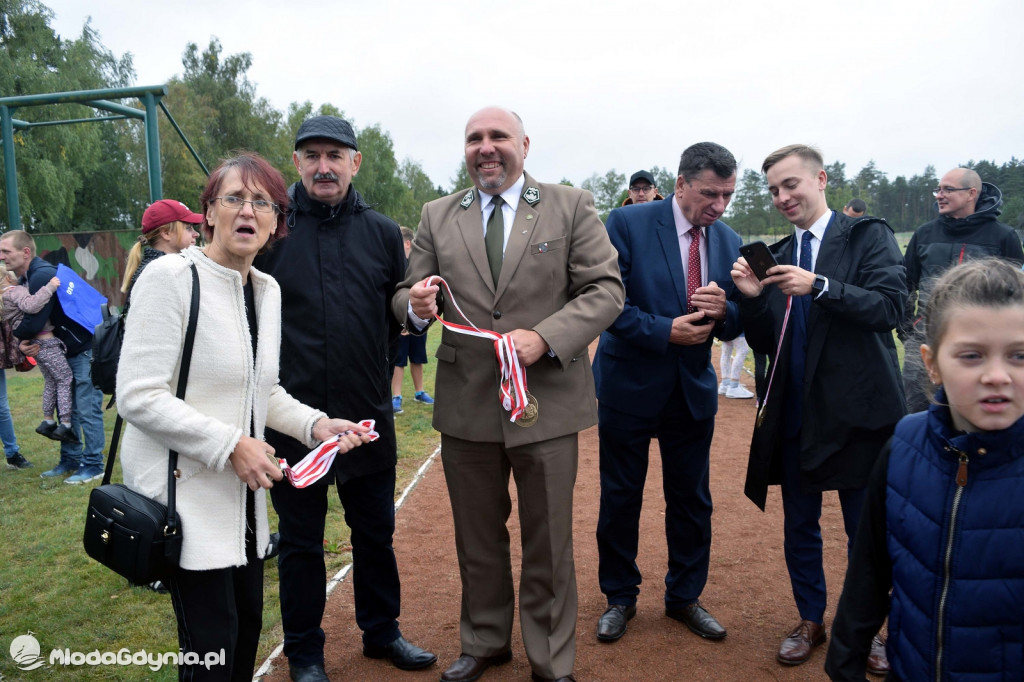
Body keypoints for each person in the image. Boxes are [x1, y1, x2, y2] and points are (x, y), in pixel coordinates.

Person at [117, 152, 373, 682]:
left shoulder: (266, 290)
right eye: (233, 198)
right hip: (184, 508)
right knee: (209, 659)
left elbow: (264, 390)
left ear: (278, 221)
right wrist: (232, 443)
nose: (247, 211)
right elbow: (137, 396)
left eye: (262, 202)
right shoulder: (169, 277)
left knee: (241, 645)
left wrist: (315, 425)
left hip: (245, 517)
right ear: (208, 213)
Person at [392, 106, 624, 682]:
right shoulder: (437, 214)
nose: (486, 148)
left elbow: (606, 291)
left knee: (548, 541)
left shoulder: (571, 205)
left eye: (498, 137)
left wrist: (544, 338)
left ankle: (549, 658)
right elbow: (405, 295)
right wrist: (415, 307)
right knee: (477, 537)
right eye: (475, 139)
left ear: (525, 143)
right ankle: (486, 640)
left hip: (544, 405)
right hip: (467, 405)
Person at [253, 115, 435, 682]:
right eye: (312, 155)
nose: (323, 166)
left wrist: (419, 309)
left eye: (335, 155)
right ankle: (305, 653)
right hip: (295, 422)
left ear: (355, 162)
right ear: (297, 164)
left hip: (365, 419)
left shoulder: (383, 232)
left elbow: (402, 311)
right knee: (302, 545)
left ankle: (382, 633)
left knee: (375, 534)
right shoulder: (273, 230)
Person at [731, 144, 907, 669]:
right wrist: (752, 296)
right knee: (800, 524)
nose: (783, 197)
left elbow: (892, 307)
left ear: (821, 179)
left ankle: (873, 627)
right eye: (773, 190)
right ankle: (810, 617)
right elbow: (767, 341)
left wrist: (822, 286)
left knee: (866, 529)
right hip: (796, 411)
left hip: (859, 412)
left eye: (791, 185)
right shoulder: (780, 252)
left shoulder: (866, 235)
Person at [825, 258, 1024, 681]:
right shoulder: (904, 445)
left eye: (1019, 355)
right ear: (931, 364)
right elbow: (868, 573)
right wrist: (844, 661)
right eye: (971, 356)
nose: (997, 375)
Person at [592, 142, 741, 645]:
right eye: (709, 194)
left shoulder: (727, 238)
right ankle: (619, 597)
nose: (718, 206)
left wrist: (725, 312)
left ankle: (684, 597)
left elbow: (739, 314)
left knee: (692, 501)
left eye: (727, 195)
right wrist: (663, 330)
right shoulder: (627, 223)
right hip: (628, 388)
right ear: (679, 185)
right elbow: (604, 302)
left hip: (691, 392)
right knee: (620, 497)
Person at [900, 167, 1024, 413]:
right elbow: (906, 284)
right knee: (916, 410)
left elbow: (1017, 293)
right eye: (938, 189)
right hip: (925, 339)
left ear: (971, 194)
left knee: (972, 410)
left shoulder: (1003, 236)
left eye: (948, 189)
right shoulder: (924, 234)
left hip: (981, 342)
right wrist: (907, 328)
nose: (939, 195)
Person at [0, 230, 106, 484]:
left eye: (6, 251)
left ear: (25, 252)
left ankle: (93, 464)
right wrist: (25, 342)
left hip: (82, 349)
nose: (1, 257)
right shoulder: (29, 277)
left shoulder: (41, 275)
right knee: (66, 405)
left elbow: (32, 320)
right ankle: (70, 460)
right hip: (63, 348)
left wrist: (21, 336)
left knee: (86, 407)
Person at [0, 265, 77, 443]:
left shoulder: (3, 298)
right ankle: (65, 424)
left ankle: (48, 420)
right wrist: (50, 286)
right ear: (10, 278)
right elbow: (32, 305)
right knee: (65, 379)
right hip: (46, 342)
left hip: (35, 345)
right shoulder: (14, 291)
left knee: (51, 381)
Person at [121, 199, 202, 301]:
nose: (196, 234)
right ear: (166, 233)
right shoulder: (160, 274)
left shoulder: (163, 269)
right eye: (188, 228)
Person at [391, 226, 434, 415]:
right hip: (400, 324)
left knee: (418, 357)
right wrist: (402, 321)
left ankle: (419, 392)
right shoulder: (396, 263)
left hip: (418, 323)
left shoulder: (418, 264)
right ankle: (396, 397)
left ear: (408, 243)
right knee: (399, 361)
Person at [719, 334, 755, 399]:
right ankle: (734, 386)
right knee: (743, 349)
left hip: (726, 327)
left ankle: (725, 383)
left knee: (726, 350)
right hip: (737, 327)